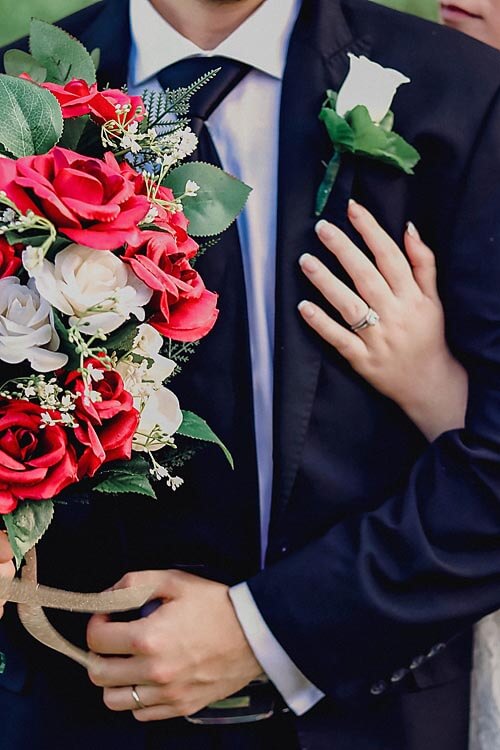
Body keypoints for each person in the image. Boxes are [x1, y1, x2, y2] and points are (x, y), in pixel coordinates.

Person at [1, 1, 500, 748]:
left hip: (371, 714)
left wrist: (270, 632)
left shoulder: (463, 92)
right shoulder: (20, 94)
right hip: (75, 711)